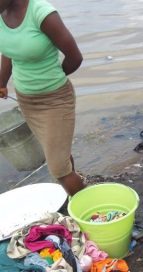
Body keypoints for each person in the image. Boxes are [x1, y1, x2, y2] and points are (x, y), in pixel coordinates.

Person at [0, 0, 85, 195]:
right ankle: (74, 193)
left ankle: (89, 210)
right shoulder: (2, 14)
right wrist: (2, 83)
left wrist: (52, 79)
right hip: (26, 100)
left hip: (55, 100)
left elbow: (75, 57)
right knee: (58, 154)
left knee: (58, 169)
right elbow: (8, 50)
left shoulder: (42, 14)